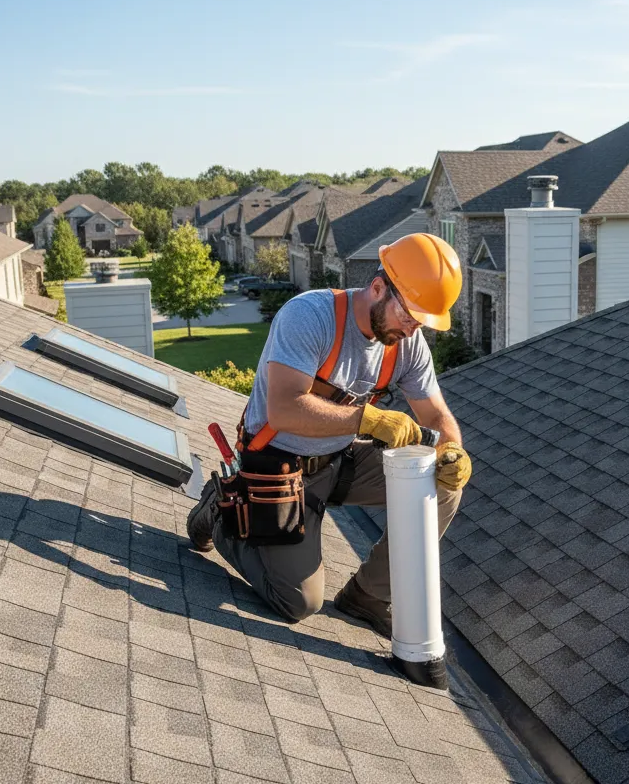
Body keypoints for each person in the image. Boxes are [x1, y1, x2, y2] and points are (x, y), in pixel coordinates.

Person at [186, 233, 472, 639]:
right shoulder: (311, 316)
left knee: (441, 485)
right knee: (299, 603)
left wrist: (453, 449)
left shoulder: (406, 345)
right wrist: (367, 420)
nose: (412, 330)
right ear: (378, 288)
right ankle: (220, 511)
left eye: (422, 322)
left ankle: (368, 596)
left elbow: (437, 414)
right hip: (277, 464)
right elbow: (283, 409)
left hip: (338, 461)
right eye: (409, 315)